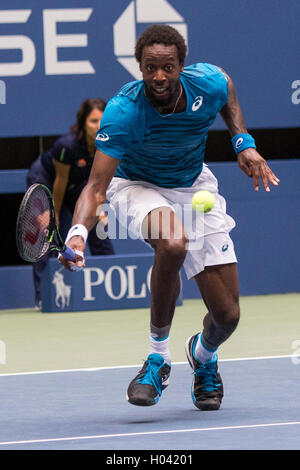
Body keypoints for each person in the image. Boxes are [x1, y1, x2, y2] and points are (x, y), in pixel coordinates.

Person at [59, 25, 279, 410]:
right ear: (140, 67)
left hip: (194, 186)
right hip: (136, 185)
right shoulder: (123, 110)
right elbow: (96, 186)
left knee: (227, 315)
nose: (159, 77)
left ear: (181, 66)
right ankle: (157, 358)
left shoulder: (207, 84)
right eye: (150, 68)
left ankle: (203, 355)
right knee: (173, 243)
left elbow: (226, 86)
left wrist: (243, 141)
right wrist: (78, 233)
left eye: (168, 67)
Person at [27, 98, 115, 310]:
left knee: (96, 228)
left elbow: (100, 182)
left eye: (102, 121)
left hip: (79, 185)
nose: (98, 126)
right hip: (48, 181)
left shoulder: (109, 143)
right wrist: (53, 214)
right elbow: (59, 185)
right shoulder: (67, 146)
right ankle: (43, 297)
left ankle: (111, 291)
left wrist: (99, 209)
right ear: (83, 123)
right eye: (93, 121)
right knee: (47, 234)